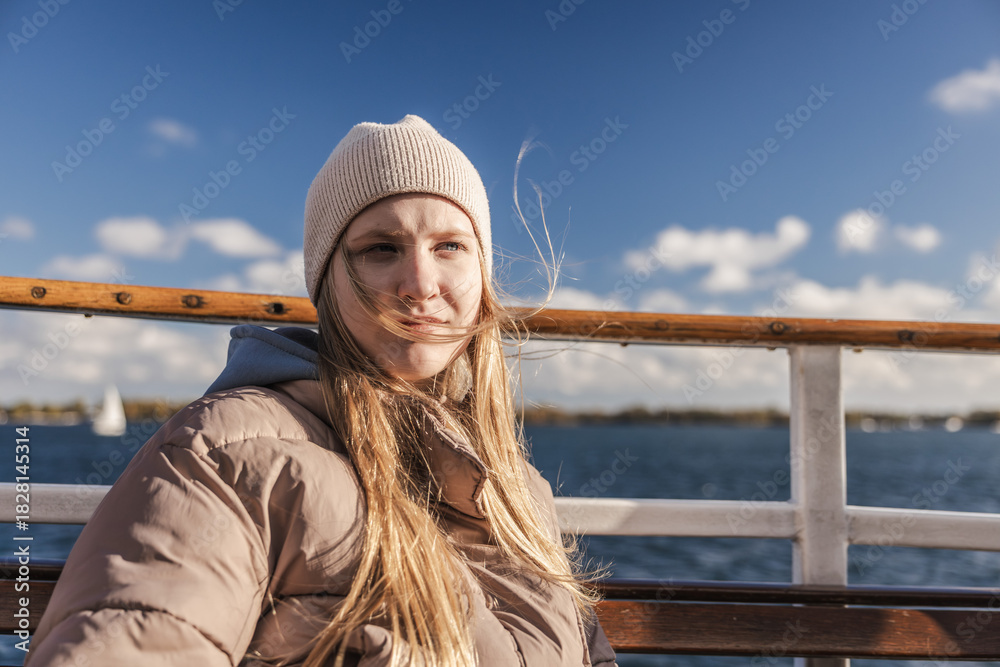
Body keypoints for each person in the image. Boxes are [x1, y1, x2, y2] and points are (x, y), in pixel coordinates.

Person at [27, 115, 617, 666]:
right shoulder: (228, 458)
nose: (420, 283)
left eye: (449, 246)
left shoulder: (519, 492)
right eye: (381, 248)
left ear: (481, 276)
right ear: (325, 282)